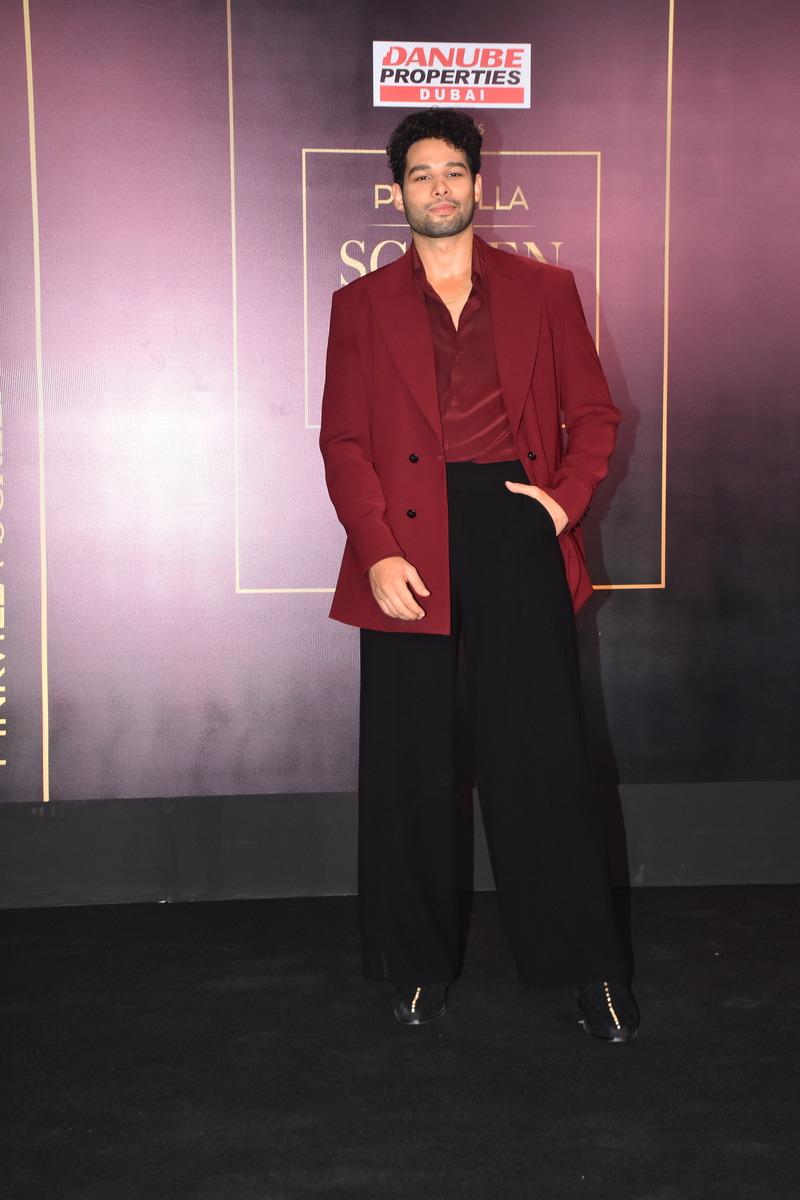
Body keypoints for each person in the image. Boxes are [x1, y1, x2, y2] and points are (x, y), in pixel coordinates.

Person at [318, 108, 639, 1042]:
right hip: (403, 543)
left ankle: (587, 969)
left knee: (543, 755)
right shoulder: (360, 305)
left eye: (453, 171)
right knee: (410, 761)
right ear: (398, 192)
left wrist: (560, 504)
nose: (439, 188)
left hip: (513, 526)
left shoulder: (545, 288)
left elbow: (595, 414)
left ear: (477, 183)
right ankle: (416, 964)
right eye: (421, 174)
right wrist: (377, 548)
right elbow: (343, 441)